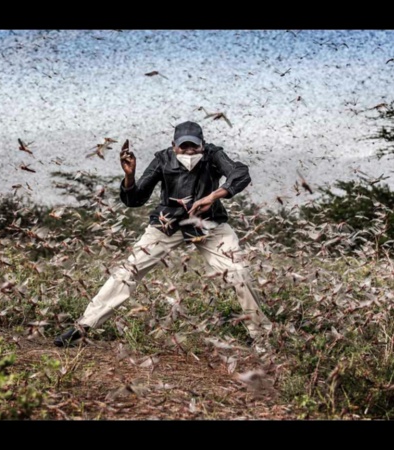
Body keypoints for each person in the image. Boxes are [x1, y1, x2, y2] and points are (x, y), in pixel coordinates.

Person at [54, 121, 272, 347]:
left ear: (203, 145)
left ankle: (261, 336)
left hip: (209, 223)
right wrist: (129, 176)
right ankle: (84, 326)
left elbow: (240, 173)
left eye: (194, 147)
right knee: (129, 270)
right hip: (167, 224)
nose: (189, 152)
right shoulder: (162, 159)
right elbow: (135, 199)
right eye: (183, 147)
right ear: (174, 146)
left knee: (238, 272)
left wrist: (213, 197)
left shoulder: (213, 155)